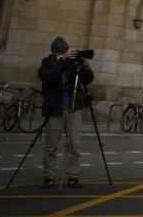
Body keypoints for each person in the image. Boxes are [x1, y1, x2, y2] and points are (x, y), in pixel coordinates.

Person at [38, 36, 93, 188]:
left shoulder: (72, 64)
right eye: (62, 54)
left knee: (74, 144)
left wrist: (83, 65)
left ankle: (73, 175)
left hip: (73, 107)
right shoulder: (47, 63)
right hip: (55, 108)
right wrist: (64, 61)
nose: (66, 55)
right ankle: (49, 176)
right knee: (52, 144)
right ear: (55, 53)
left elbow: (87, 79)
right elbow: (50, 78)